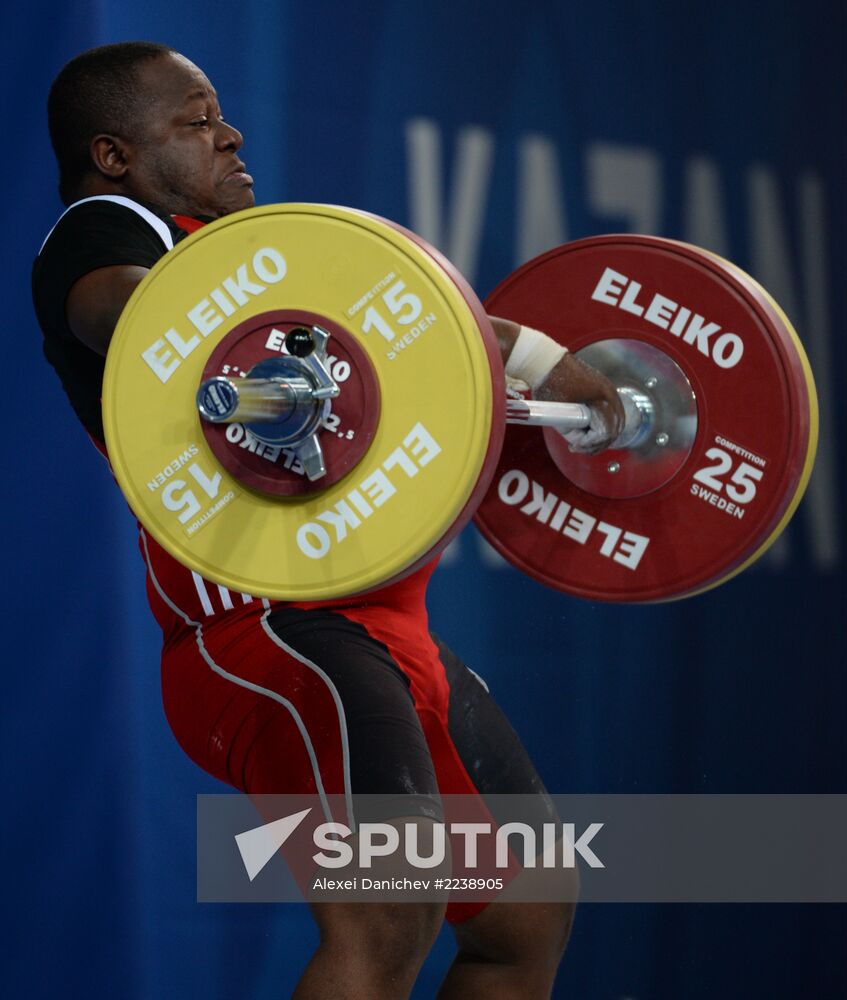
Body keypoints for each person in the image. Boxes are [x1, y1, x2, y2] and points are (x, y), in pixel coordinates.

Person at [33, 42, 623, 999]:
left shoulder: (251, 266)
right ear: (114, 155)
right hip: (265, 634)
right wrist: (265, 333)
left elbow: (444, 325)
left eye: (221, 115)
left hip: (387, 630)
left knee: (526, 913)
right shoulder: (107, 230)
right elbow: (127, 315)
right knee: (388, 908)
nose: (230, 135)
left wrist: (580, 386)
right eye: (196, 121)